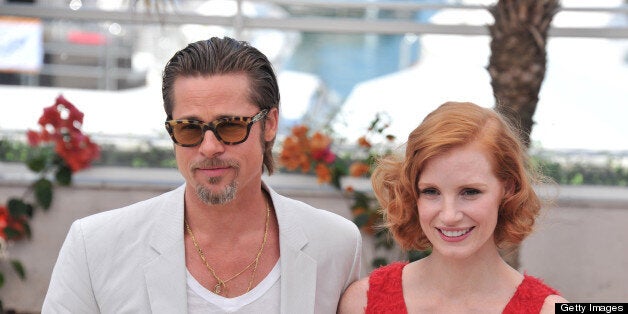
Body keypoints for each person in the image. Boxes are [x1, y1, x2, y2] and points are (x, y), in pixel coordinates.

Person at [43, 36, 362, 313]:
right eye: (189, 128)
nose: (209, 147)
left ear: (271, 123)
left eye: (230, 126)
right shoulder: (96, 245)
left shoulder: (335, 245)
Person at [338, 101, 567, 313]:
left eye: (470, 192)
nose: (449, 215)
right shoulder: (361, 303)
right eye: (431, 192)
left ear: (508, 188)